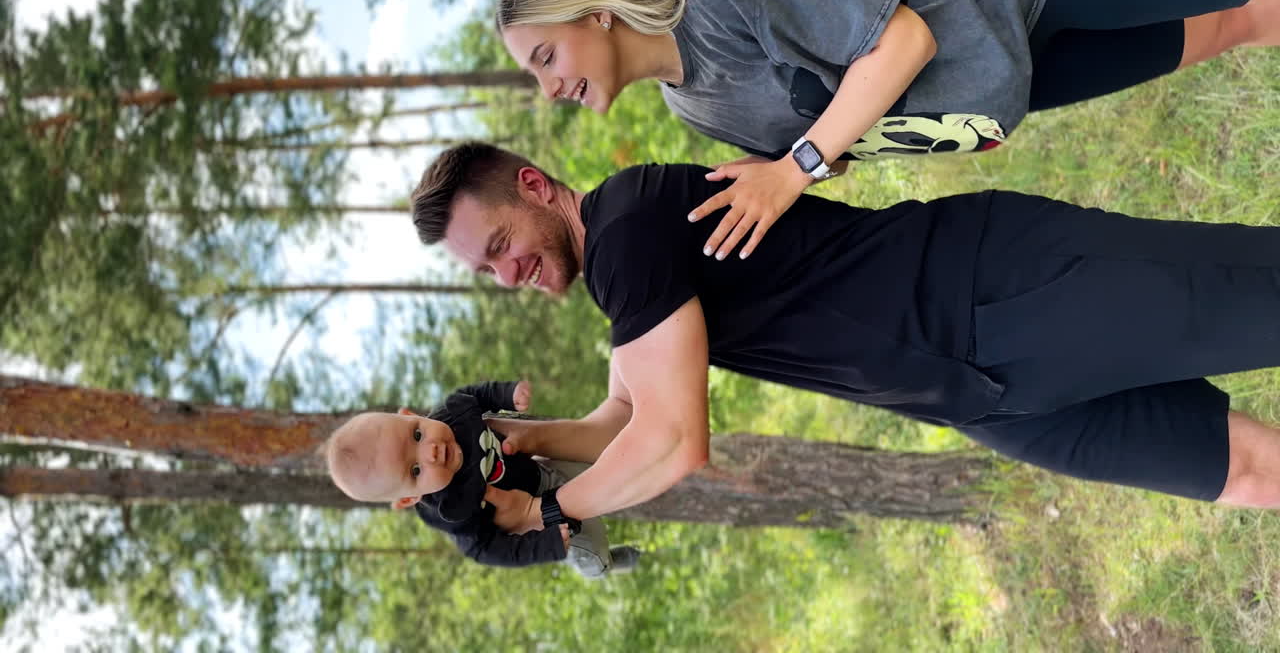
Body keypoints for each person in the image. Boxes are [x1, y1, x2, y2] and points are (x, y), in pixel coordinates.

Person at [409, 141, 1280, 537]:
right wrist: (526, 442)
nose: (507, 272)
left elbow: (672, 442)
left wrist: (551, 512)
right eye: (486, 272)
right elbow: (622, 417)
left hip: (993, 291)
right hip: (981, 396)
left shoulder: (629, 230)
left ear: (532, 186)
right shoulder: (627, 286)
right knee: (1239, 474)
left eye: (499, 247)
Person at [497, 0, 1280, 260]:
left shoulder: (725, 1)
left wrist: (797, 166)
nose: (550, 86)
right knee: (1234, 27)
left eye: (545, 56)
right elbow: (841, 124)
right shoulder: (691, 107)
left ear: (595, 13)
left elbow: (903, 40)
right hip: (1015, 72)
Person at [325, 379, 639, 578]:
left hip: (540, 470)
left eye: (417, 435)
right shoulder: (454, 511)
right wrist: (545, 546)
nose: (431, 452)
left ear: (411, 416)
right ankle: (605, 564)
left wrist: (506, 393)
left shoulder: (451, 414)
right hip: (545, 519)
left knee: (615, 470)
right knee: (592, 543)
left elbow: (474, 396)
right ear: (410, 498)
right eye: (415, 470)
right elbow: (492, 551)